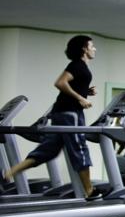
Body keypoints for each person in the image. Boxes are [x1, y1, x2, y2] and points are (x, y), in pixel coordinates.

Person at [3, 35, 102, 200]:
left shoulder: (79, 67)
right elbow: (60, 83)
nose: (94, 48)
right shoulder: (78, 65)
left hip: (61, 112)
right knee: (79, 148)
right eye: (92, 46)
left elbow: (71, 84)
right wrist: (80, 98)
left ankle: (9, 173)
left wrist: (86, 92)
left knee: (48, 150)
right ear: (84, 48)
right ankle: (90, 191)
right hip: (71, 113)